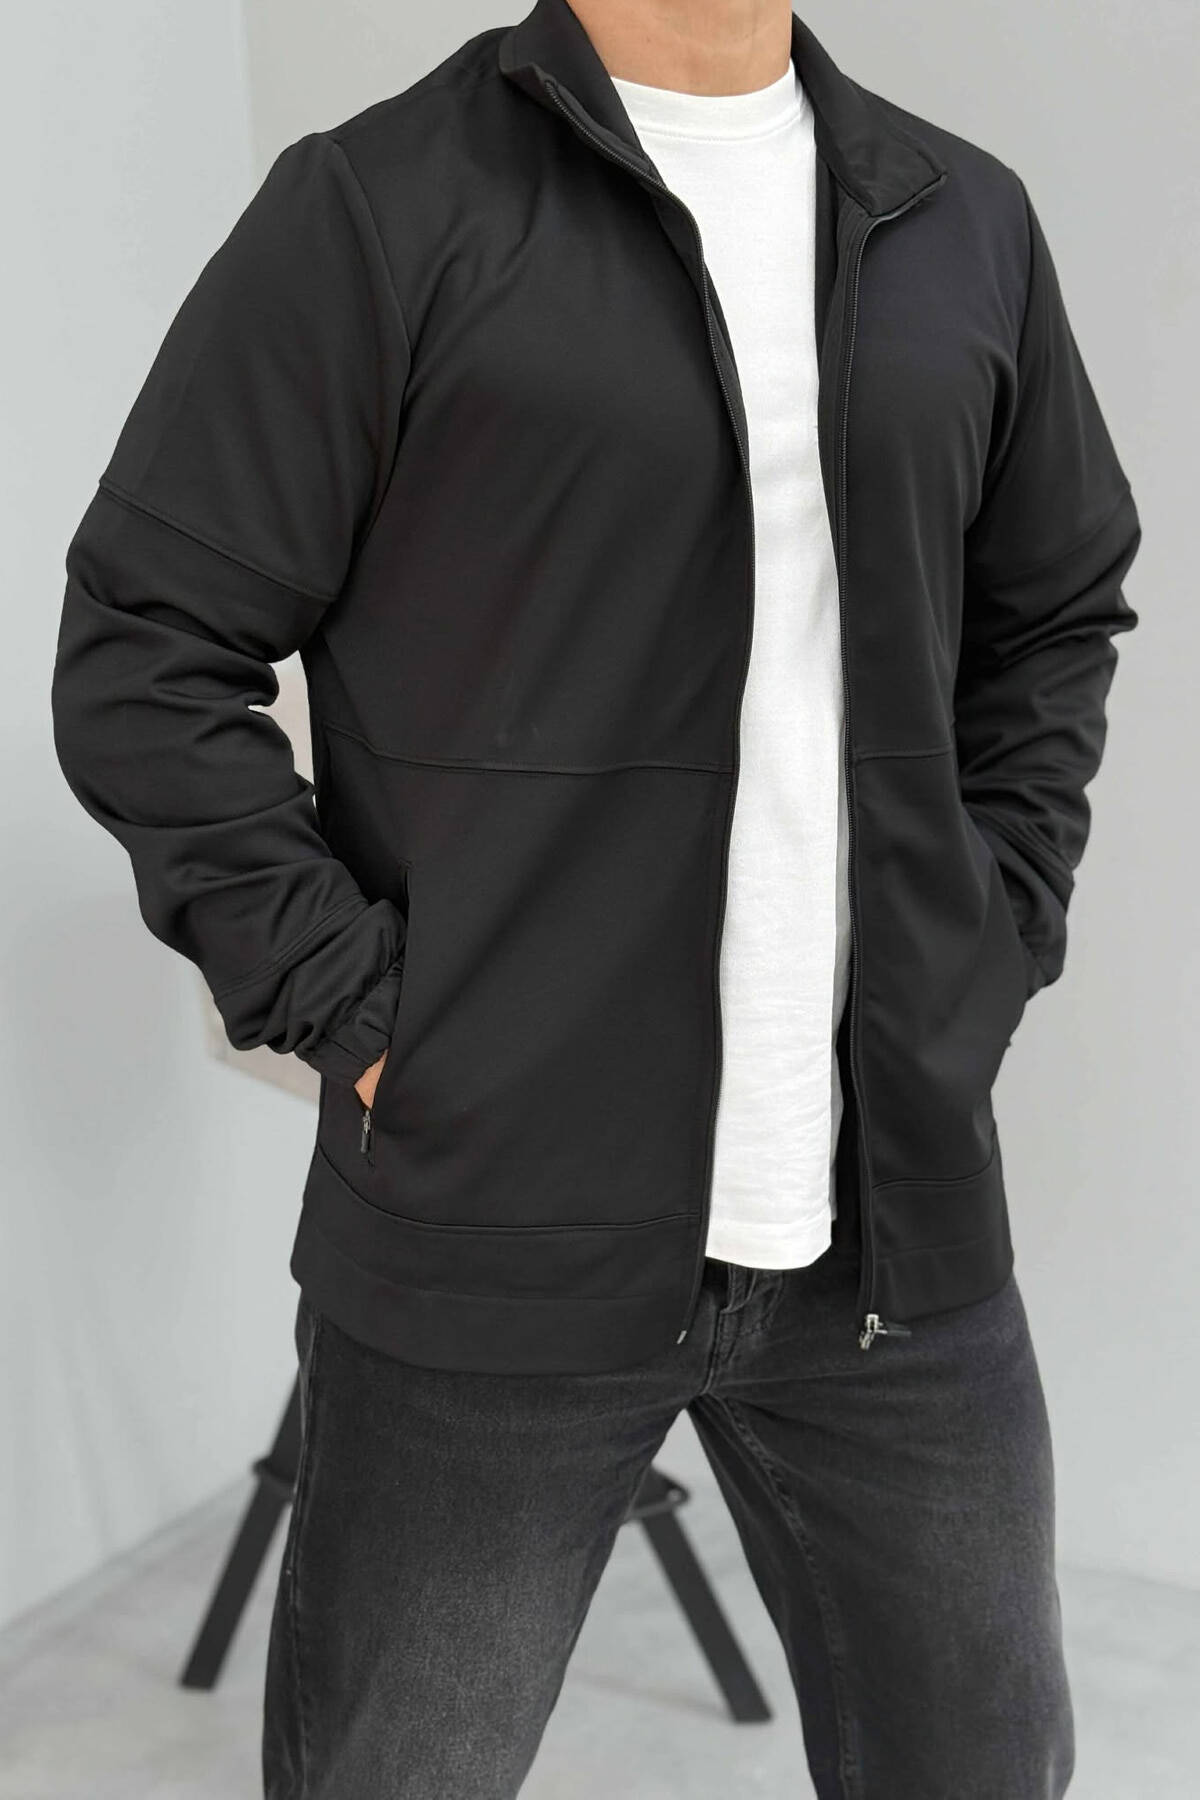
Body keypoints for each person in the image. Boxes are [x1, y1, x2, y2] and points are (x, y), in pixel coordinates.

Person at [50, 0, 1142, 1793]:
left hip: (894, 1240)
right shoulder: (381, 204)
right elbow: (146, 647)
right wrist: (368, 1017)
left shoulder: (962, 220)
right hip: (492, 1232)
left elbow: (1055, 607)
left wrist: (992, 932)